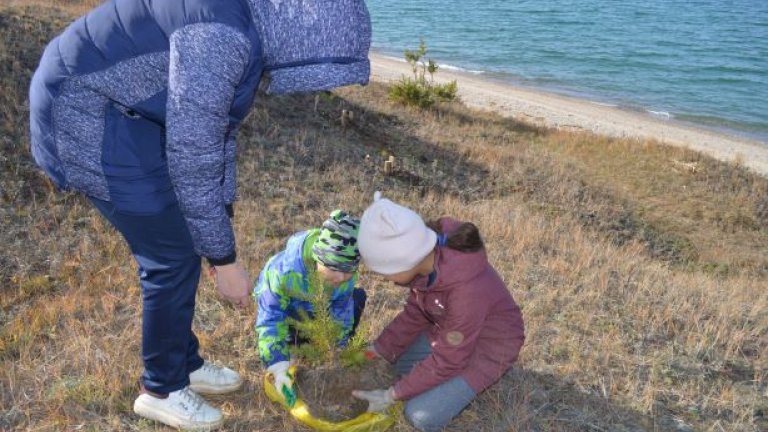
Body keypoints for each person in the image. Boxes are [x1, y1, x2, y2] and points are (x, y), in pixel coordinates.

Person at [28, 0, 371, 429]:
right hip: (87, 114)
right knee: (169, 257)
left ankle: (183, 363)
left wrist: (216, 227)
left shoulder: (247, 25)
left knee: (185, 239)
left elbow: (215, 135)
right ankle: (161, 389)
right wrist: (224, 261)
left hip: (130, 109)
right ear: (305, 37)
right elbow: (194, 155)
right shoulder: (223, 38)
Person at [352, 192, 525, 432]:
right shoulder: (426, 264)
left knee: (419, 415)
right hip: (450, 333)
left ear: (405, 261)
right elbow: (415, 314)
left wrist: (393, 395)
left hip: (490, 347)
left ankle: (466, 381)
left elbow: (449, 359)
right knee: (395, 370)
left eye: (385, 271)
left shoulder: (466, 291)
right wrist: (380, 348)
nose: (385, 279)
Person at [254, 210, 366, 406]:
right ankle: (294, 345)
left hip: (318, 319)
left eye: (348, 271)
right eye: (333, 268)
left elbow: (342, 313)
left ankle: (319, 347)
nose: (340, 278)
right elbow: (271, 319)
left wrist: (337, 349)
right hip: (291, 319)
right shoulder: (284, 273)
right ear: (318, 258)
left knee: (357, 298)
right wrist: (279, 366)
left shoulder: (345, 278)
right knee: (285, 339)